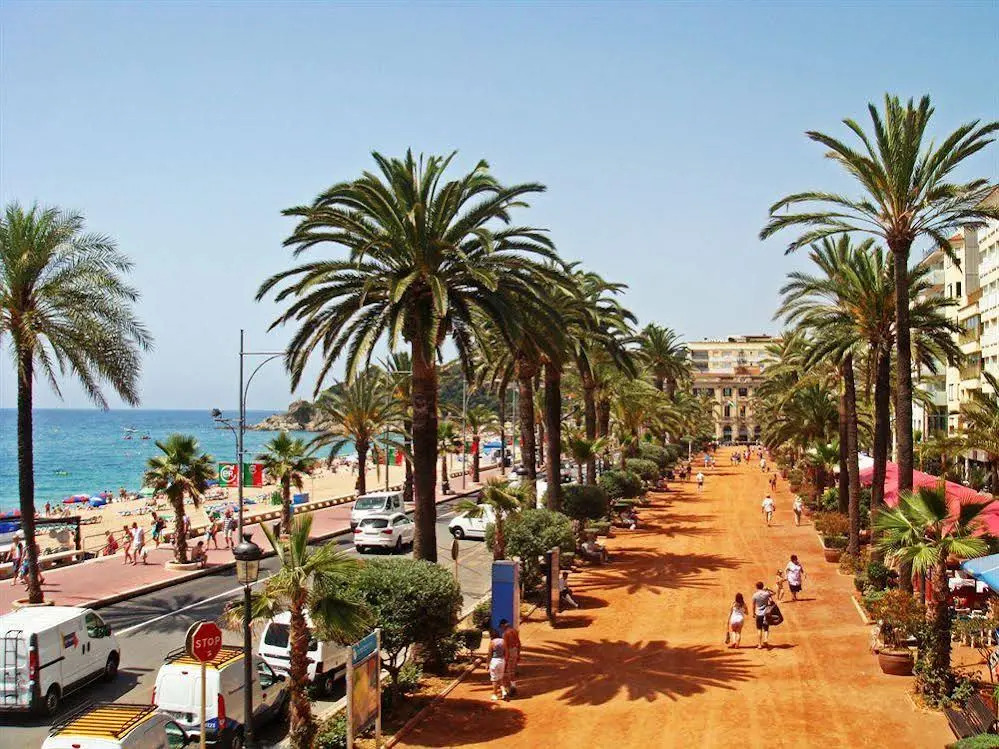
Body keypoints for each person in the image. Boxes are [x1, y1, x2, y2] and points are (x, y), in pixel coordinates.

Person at [500, 619, 521, 696]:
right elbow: (519, 643)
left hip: (509, 652)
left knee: (509, 671)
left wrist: (506, 656)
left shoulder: (505, 634)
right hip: (515, 651)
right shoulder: (514, 631)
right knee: (512, 670)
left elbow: (505, 647)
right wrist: (518, 653)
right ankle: (513, 687)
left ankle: (512, 689)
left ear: (503, 625)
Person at [752, 581, 775, 649]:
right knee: (766, 628)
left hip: (758, 614)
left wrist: (753, 613)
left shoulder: (755, 595)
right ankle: (765, 640)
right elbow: (774, 593)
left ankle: (759, 644)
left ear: (756, 587)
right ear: (762, 586)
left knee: (759, 629)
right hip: (766, 613)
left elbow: (753, 605)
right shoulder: (766, 594)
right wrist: (768, 589)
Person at [488, 635, 506, 701]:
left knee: (494, 679)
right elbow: (506, 652)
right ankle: (504, 691)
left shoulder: (492, 642)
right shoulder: (504, 642)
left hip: (494, 661)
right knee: (500, 678)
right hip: (502, 661)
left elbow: (490, 654)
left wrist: (487, 663)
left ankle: (495, 695)